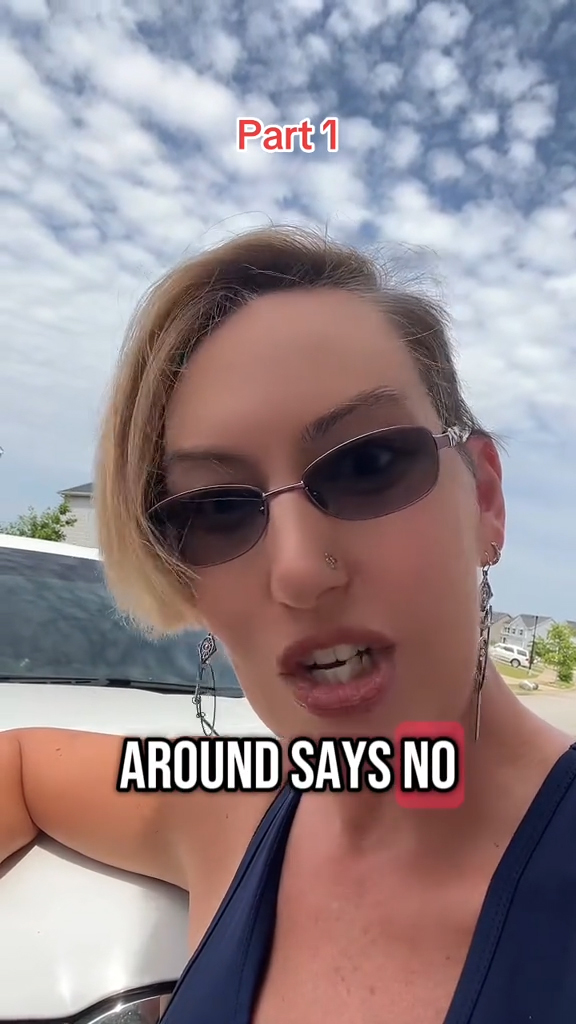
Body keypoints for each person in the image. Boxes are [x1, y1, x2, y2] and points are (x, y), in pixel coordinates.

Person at [1, 226, 575, 1024]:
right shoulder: (236, 801)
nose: (299, 570)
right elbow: (23, 766)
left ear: (484, 498)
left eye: (367, 463)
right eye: (217, 510)